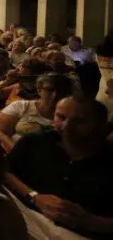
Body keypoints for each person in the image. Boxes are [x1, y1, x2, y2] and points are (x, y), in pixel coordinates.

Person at [6, 98, 113, 238]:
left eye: (79, 121)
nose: (67, 126)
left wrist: (91, 221)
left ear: (101, 127)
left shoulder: (108, 160)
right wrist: (34, 196)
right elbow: (4, 172)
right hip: (26, 225)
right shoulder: (34, 142)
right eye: (61, 117)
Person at [0, 74, 73, 151]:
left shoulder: (72, 115)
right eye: (50, 90)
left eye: (61, 90)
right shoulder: (21, 106)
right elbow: (0, 131)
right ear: (39, 90)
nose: (55, 95)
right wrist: (18, 151)